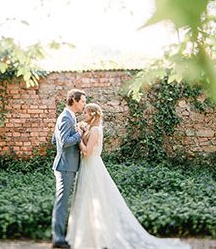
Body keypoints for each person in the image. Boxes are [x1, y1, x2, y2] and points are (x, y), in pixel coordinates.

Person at [67, 103, 191, 249]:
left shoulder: (95, 130)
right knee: (87, 199)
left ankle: (98, 238)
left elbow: (87, 151)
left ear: (93, 115)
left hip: (92, 165)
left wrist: (79, 138)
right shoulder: (92, 128)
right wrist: (82, 130)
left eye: (86, 113)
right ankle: (89, 235)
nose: (84, 116)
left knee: (95, 197)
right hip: (88, 166)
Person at [50, 89, 86, 248]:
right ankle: (58, 238)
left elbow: (54, 140)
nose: (84, 104)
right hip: (65, 166)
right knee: (62, 202)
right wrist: (79, 133)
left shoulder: (68, 117)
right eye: (83, 101)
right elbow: (64, 142)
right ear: (74, 100)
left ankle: (60, 235)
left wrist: (75, 129)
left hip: (67, 165)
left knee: (63, 201)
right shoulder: (66, 117)